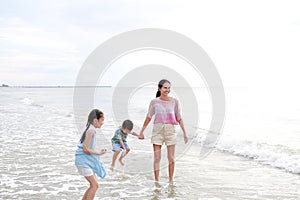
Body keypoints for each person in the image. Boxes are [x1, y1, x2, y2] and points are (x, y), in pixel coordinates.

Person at [139, 79, 188, 185]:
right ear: (159, 88)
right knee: (157, 158)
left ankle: (171, 181)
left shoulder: (175, 101)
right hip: (157, 131)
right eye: (165, 87)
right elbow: (148, 117)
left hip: (170, 131)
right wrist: (141, 132)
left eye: (169, 88)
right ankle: (157, 182)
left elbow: (179, 117)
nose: (167, 90)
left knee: (171, 159)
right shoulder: (154, 102)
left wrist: (184, 133)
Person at [75, 109, 107, 200]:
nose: (103, 123)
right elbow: (85, 149)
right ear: (95, 120)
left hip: (84, 161)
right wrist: (99, 153)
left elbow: (87, 147)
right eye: (102, 120)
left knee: (94, 185)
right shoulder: (91, 131)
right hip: (83, 161)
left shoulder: (90, 129)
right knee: (94, 185)